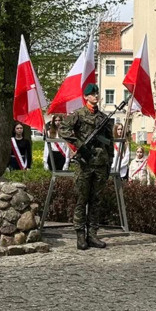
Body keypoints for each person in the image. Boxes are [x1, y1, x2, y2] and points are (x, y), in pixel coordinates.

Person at [60, 83, 113, 250]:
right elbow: (63, 129)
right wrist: (79, 145)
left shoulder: (103, 118)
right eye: (92, 94)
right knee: (82, 200)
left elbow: (109, 143)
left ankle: (92, 234)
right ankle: (80, 235)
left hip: (100, 164)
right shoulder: (78, 115)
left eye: (97, 93)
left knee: (96, 200)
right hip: (84, 163)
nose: (96, 96)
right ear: (86, 97)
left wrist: (109, 162)